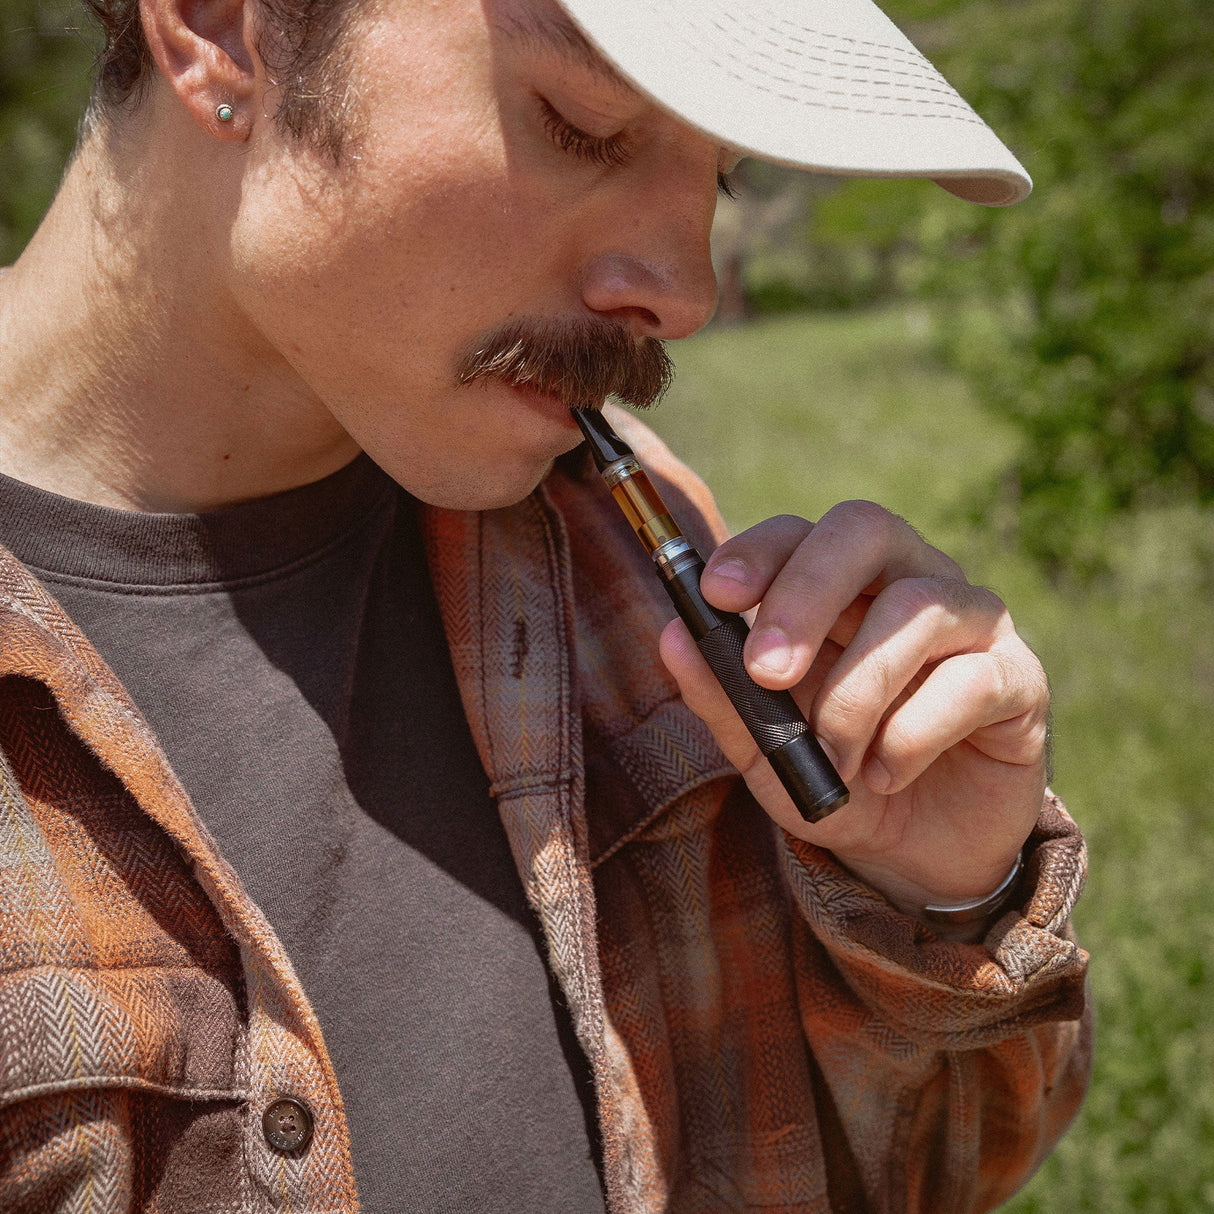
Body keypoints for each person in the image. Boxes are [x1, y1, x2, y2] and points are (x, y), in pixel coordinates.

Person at [0, 0, 1090, 1209]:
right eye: (582, 125)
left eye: (721, 174)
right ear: (218, 29)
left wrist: (935, 899)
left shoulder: (629, 549)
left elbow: (925, 1174)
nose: (686, 291)